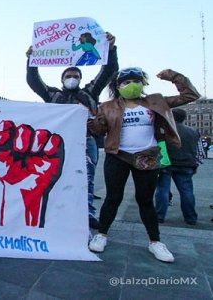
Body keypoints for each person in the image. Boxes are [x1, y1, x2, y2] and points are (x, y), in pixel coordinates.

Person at [88, 67, 200, 262]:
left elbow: (190, 95)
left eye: (135, 81)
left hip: (147, 157)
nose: (130, 85)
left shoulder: (155, 101)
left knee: (145, 201)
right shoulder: (108, 106)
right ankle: (102, 234)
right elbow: (97, 131)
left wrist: (175, 77)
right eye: (125, 82)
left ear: (142, 83)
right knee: (113, 198)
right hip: (118, 156)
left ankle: (155, 242)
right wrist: (93, 118)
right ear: (118, 86)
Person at [26, 32, 118, 230]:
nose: (72, 79)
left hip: (86, 142)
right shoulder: (53, 94)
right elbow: (34, 81)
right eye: (68, 76)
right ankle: (58, 210)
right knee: (54, 177)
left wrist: (111, 50)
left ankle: (88, 212)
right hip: (57, 144)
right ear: (62, 79)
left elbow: (107, 71)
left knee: (87, 177)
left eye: (76, 76)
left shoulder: (89, 93)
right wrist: (31, 61)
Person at [154, 108, 200, 225]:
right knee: (187, 192)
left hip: (167, 164)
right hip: (187, 165)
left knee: (162, 190)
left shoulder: (165, 131)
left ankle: (159, 216)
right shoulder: (193, 131)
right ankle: (190, 218)